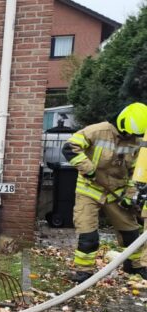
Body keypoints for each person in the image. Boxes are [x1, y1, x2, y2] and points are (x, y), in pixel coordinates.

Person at [63, 102, 147, 282]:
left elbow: (135, 171)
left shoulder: (137, 141)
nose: (130, 137)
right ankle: (84, 271)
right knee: (88, 235)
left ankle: (134, 265)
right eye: (128, 134)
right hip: (89, 189)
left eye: (134, 135)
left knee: (130, 232)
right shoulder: (97, 131)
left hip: (117, 191)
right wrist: (88, 168)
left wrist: (129, 195)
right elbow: (70, 147)